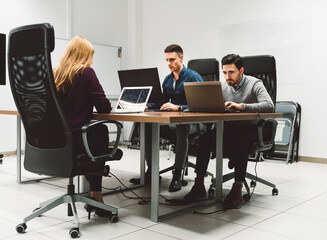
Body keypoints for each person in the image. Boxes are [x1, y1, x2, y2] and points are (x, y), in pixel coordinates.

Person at [183, 54, 274, 209]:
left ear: (241, 70)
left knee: (240, 141)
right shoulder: (222, 87)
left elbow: (269, 105)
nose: (227, 76)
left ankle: (237, 188)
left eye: (231, 72)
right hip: (228, 128)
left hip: (250, 128)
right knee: (205, 139)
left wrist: (242, 106)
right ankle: (199, 186)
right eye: (224, 72)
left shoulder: (255, 83)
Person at [130, 44, 203, 192]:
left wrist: (180, 107)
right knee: (147, 125)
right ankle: (151, 170)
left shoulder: (193, 77)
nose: (169, 63)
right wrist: (147, 106)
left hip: (193, 122)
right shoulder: (167, 80)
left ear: (181, 58)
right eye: (167, 60)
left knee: (183, 127)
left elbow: (201, 104)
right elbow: (161, 102)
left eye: (172, 59)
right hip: (173, 121)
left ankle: (177, 175)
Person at [53, 36, 112, 217]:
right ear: (84, 55)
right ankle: (96, 194)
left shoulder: (54, 73)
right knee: (100, 131)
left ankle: (96, 179)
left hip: (54, 142)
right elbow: (105, 107)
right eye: (90, 55)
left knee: (94, 134)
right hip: (75, 140)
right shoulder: (85, 72)